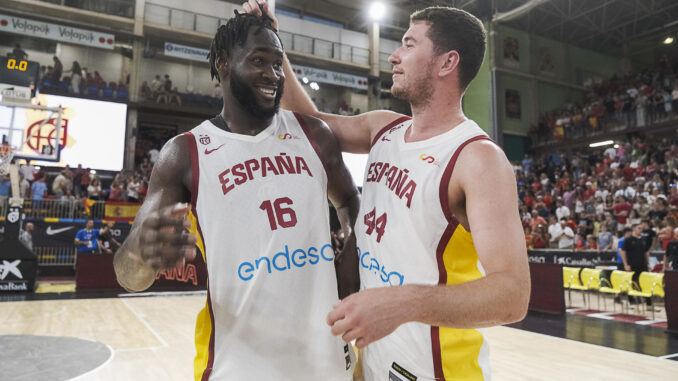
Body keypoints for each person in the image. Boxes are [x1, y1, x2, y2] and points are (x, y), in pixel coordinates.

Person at [245, 2, 529, 379]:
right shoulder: (383, 128)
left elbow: (512, 296)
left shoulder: (477, 159)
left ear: (447, 63)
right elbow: (307, 125)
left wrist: (403, 303)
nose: (394, 56)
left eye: (409, 45)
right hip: (374, 362)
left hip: (440, 370)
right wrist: (273, 44)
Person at [113, 10, 360, 380]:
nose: (273, 74)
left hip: (325, 355)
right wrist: (140, 253)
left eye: (278, 64)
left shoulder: (315, 135)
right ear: (223, 62)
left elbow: (350, 202)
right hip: (237, 363)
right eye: (259, 61)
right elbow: (130, 277)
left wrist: (351, 262)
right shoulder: (184, 153)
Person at [620, 224, 651, 306]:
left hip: (643, 264)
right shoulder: (628, 240)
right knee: (632, 283)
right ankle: (632, 301)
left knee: (646, 282)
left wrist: (648, 263)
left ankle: (649, 303)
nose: (641, 230)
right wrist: (626, 264)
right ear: (634, 229)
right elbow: (622, 252)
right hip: (632, 265)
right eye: (639, 228)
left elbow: (646, 253)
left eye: (642, 228)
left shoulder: (644, 239)